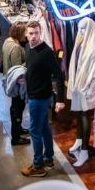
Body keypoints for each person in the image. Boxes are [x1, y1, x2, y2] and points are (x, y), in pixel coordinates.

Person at [20, 21, 66, 178]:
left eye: (36, 33)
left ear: (41, 33)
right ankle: (49, 157)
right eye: (30, 33)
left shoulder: (47, 52)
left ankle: (38, 165)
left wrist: (60, 99)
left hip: (40, 98)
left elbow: (59, 75)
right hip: (34, 95)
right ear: (26, 33)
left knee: (35, 130)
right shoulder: (28, 47)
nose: (33, 37)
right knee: (44, 127)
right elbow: (33, 68)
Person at [2, 22, 30, 146]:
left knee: (15, 107)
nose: (27, 35)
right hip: (17, 85)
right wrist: (29, 63)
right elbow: (18, 69)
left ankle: (18, 129)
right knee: (18, 108)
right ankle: (16, 137)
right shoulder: (17, 48)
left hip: (9, 79)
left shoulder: (7, 41)